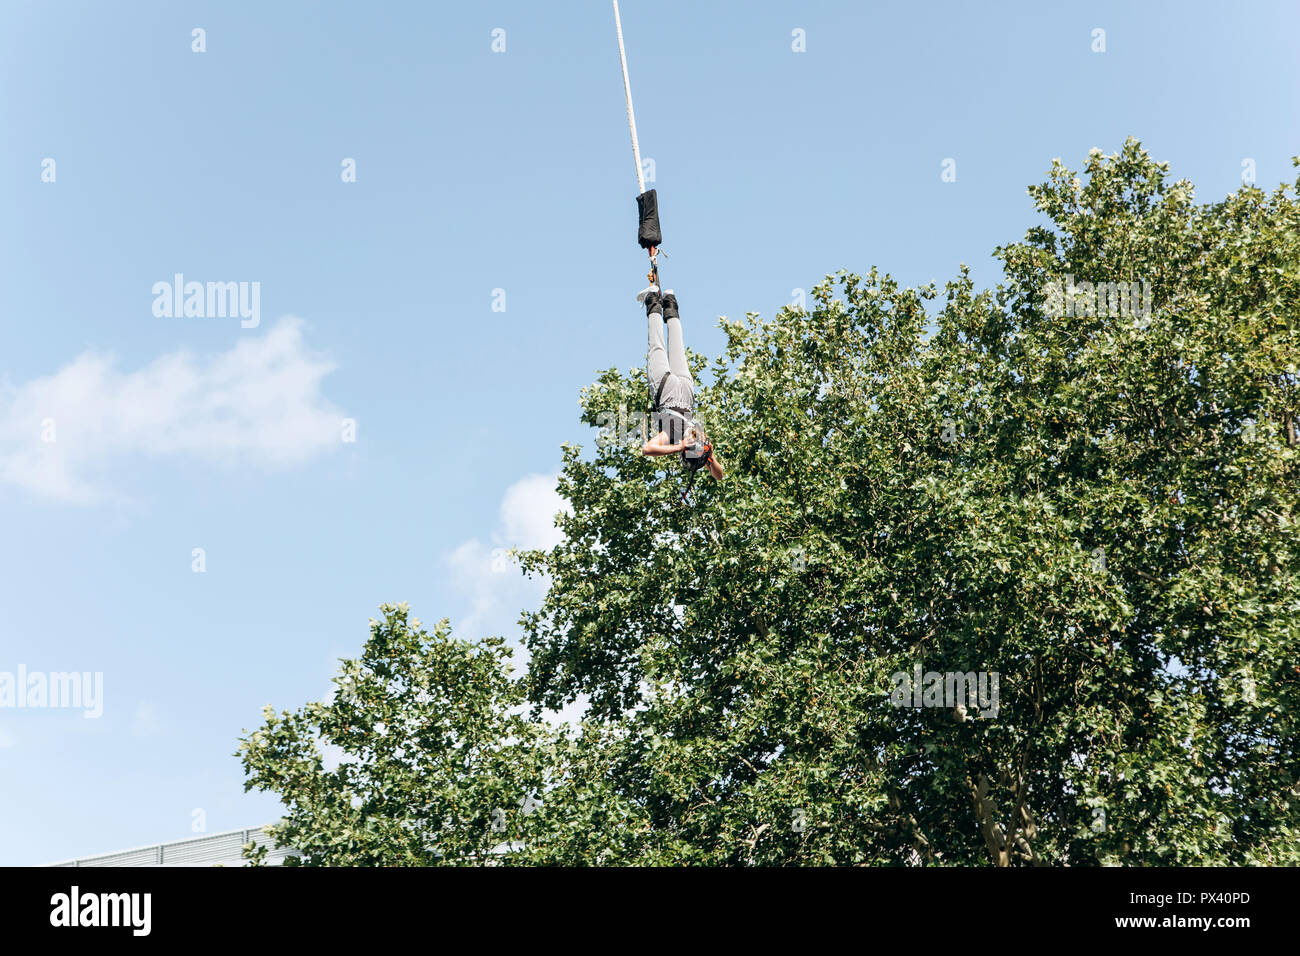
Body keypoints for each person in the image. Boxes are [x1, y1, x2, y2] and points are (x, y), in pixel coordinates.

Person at [638, 285, 724, 483]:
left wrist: (709, 456)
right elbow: (647, 449)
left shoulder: (700, 435)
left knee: (677, 345)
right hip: (667, 393)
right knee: (657, 346)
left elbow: (719, 475)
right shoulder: (675, 436)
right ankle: (651, 297)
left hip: (686, 392)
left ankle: (670, 299)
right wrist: (679, 446)